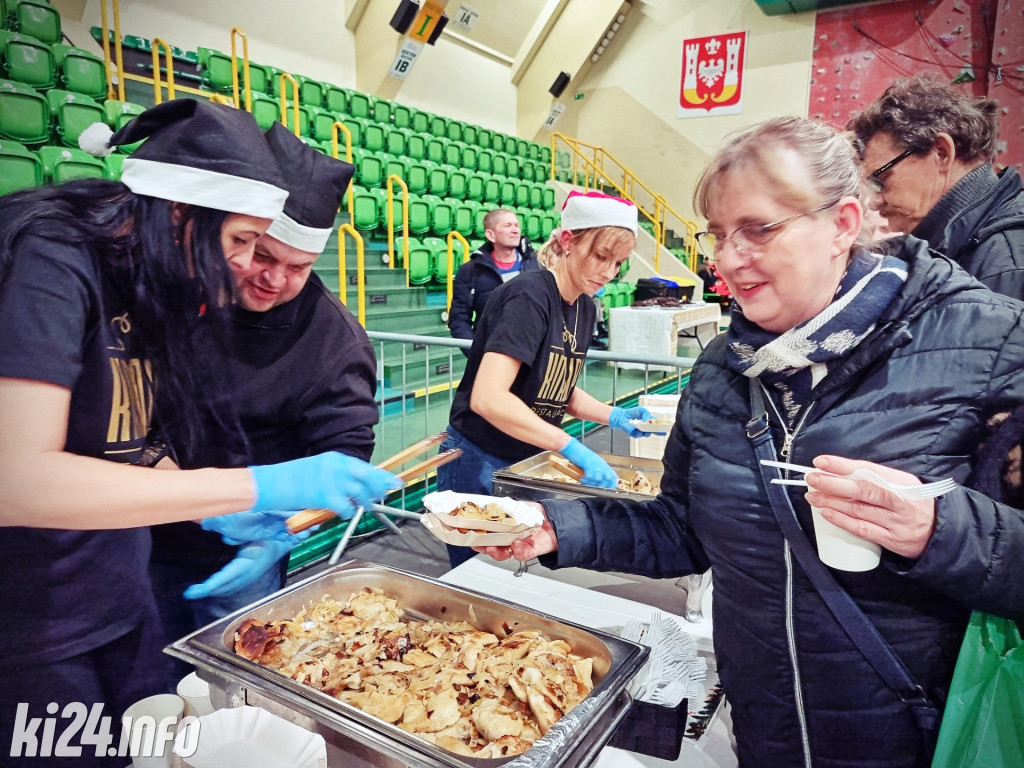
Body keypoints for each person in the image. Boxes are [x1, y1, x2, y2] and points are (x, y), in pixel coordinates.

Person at [478, 117, 1024, 768]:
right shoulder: (719, 372)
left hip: (918, 736)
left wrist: (941, 528)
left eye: (759, 230)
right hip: (767, 731)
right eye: (718, 233)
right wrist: (558, 528)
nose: (726, 258)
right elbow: (680, 532)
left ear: (843, 223)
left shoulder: (983, 343)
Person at [0, 100, 398, 766]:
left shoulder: (158, 283)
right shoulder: (56, 257)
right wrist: (249, 486)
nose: (247, 268)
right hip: (37, 621)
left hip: (116, 594)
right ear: (181, 214)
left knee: (162, 747)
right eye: (243, 242)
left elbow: (133, 440)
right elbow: (16, 478)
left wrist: (224, 511)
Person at [148, 123, 377, 668]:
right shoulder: (184, 287)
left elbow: (344, 457)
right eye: (262, 256)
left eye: (297, 268)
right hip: (136, 520)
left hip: (241, 548)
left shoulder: (333, 340)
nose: (273, 278)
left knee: (225, 685)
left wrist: (284, 528)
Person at [438, 190, 655, 568]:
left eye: (618, 263)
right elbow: (488, 398)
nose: (608, 272)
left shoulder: (585, 305)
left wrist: (612, 415)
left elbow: (555, 386)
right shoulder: (529, 297)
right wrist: (571, 446)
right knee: (480, 573)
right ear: (569, 241)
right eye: (601, 256)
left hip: (526, 457)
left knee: (523, 568)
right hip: (480, 456)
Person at [848, 74, 1024, 298]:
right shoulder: (970, 244)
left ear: (941, 153)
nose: (875, 201)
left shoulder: (1005, 265)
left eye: (881, 179)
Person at [447, 208, 541, 348]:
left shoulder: (536, 265)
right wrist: (476, 353)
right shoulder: (470, 271)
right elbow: (458, 319)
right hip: (492, 354)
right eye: (507, 225)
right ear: (491, 235)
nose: (515, 230)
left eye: (516, 225)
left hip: (533, 352)